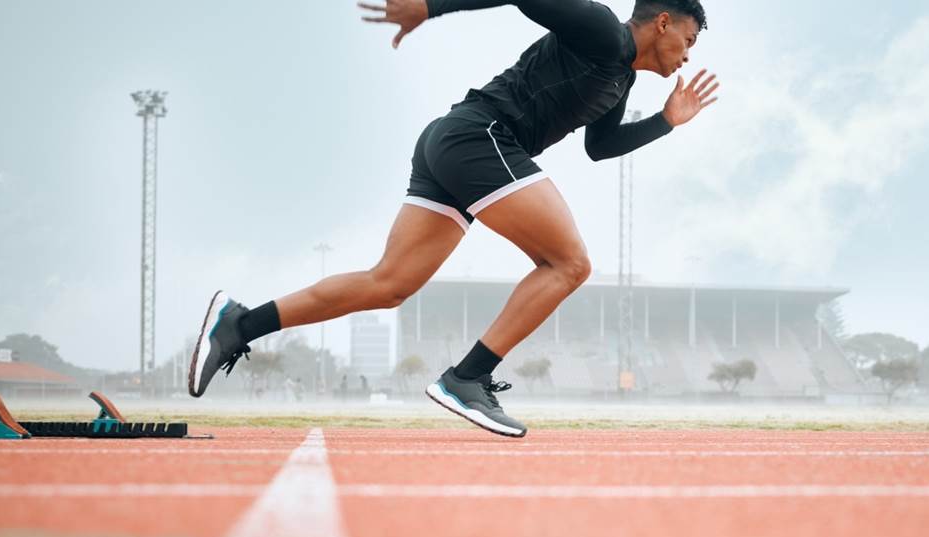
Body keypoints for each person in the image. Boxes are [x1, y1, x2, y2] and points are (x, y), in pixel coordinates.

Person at [187, 0, 717, 438]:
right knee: (569, 264)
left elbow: (599, 149)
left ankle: (241, 323)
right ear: (663, 22)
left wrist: (665, 122)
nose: (687, 56)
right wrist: (429, 8)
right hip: (480, 136)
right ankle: (468, 378)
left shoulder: (619, 80)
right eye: (689, 41)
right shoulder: (604, 31)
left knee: (389, 284)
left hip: (458, 144)